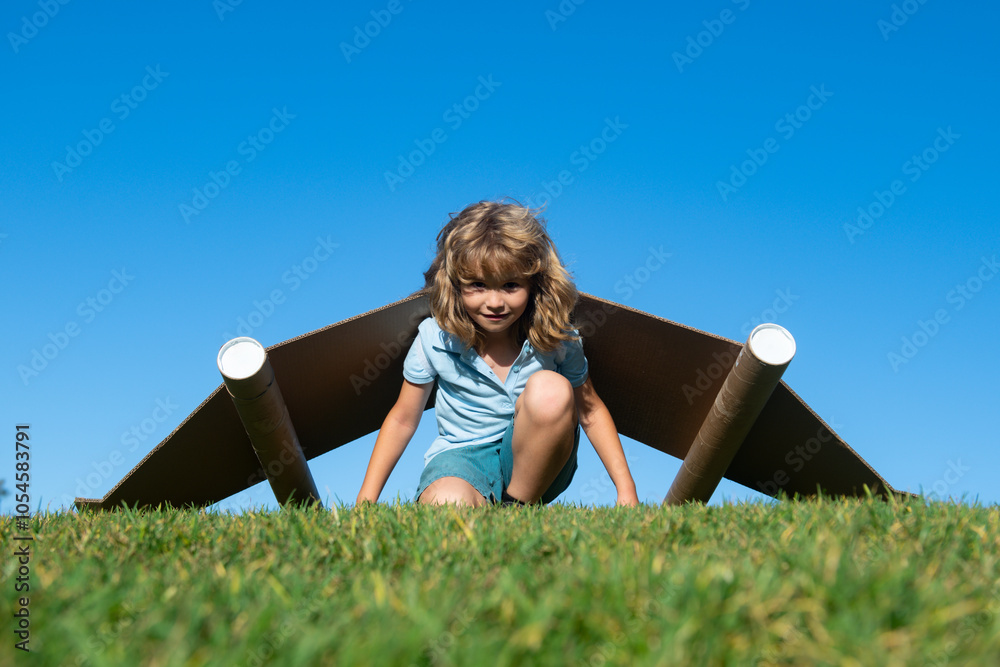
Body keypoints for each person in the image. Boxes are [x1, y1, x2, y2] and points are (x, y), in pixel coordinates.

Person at [356, 201, 639, 507]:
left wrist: (626, 491)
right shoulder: (435, 338)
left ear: (534, 284)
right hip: (461, 458)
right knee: (447, 504)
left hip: (538, 459)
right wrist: (366, 499)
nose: (494, 302)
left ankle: (517, 507)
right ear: (455, 284)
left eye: (510, 285)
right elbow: (402, 420)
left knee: (552, 390)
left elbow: (591, 412)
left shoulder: (557, 338)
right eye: (477, 284)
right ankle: (495, 509)